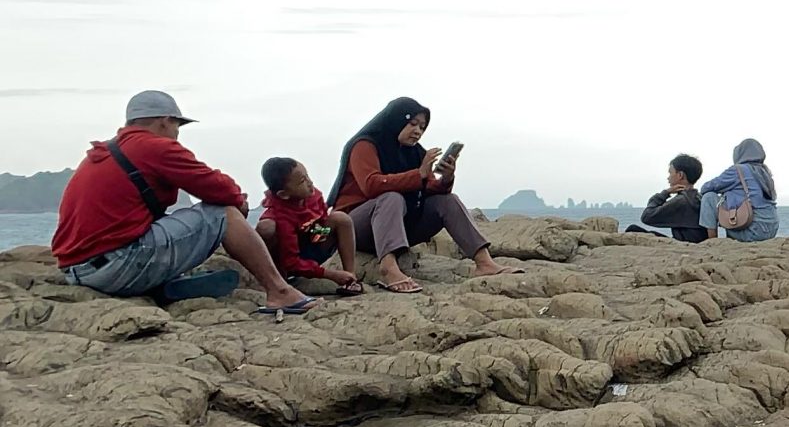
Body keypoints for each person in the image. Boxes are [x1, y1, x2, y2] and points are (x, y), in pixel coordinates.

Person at [53, 91, 316, 315]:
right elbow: (220, 188)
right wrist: (239, 202)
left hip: (77, 272)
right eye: (178, 125)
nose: (178, 133)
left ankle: (162, 283)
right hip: (115, 267)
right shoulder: (155, 147)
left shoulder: (108, 151)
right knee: (222, 212)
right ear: (165, 121)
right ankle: (280, 292)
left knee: (160, 222)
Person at [330, 97, 512, 291]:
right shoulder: (365, 145)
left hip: (397, 226)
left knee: (447, 200)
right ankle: (388, 268)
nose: (417, 131)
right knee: (391, 197)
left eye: (422, 127)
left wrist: (446, 178)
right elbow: (371, 185)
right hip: (356, 228)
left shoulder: (415, 153)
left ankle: (484, 262)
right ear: (396, 120)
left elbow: (430, 187)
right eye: (412, 124)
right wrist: (419, 174)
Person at [257, 158, 363, 295]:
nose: (310, 183)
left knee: (341, 219)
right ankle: (280, 282)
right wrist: (329, 274)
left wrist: (319, 235)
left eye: (307, 176)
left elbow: (322, 219)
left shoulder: (312, 195)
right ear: (283, 194)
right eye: (302, 181)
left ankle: (350, 278)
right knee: (267, 228)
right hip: (289, 258)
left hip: (311, 242)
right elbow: (291, 262)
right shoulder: (280, 216)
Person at [698, 139, 779, 242]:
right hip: (771, 230)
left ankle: (712, 241)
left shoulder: (738, 170)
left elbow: (706, 188)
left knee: (708, 197)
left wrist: (726, 191)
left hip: (751, 229)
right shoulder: (765, 172)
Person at [630, 154, 711, 242]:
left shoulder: (682, 201)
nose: (668, 178)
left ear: (680, 175)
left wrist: (665, 193)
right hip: (696, 241)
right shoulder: (698, 198)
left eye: (670, 173)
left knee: (632, 229)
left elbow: (647, 216)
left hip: (685, 245)